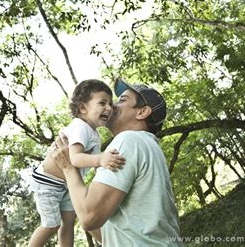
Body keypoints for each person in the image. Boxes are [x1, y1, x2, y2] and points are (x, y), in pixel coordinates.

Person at [50, 78, 181, 246]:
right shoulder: (149, 147)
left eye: (122, 101)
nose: (111, 107)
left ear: (142, 112)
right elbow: (107, 233)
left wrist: (68, 168)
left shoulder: (129, 140)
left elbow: (89, 217)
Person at [28, 79, 126, 247]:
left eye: (110, 103)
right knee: (52, 225)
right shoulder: (81, 127)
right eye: (102, 103)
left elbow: (89, 164)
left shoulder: (93, 133)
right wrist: (101, 159)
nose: (109, 108)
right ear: (82, 108)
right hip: (48, 182)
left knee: (68, 221)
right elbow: (75, 158)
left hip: (65, 184)